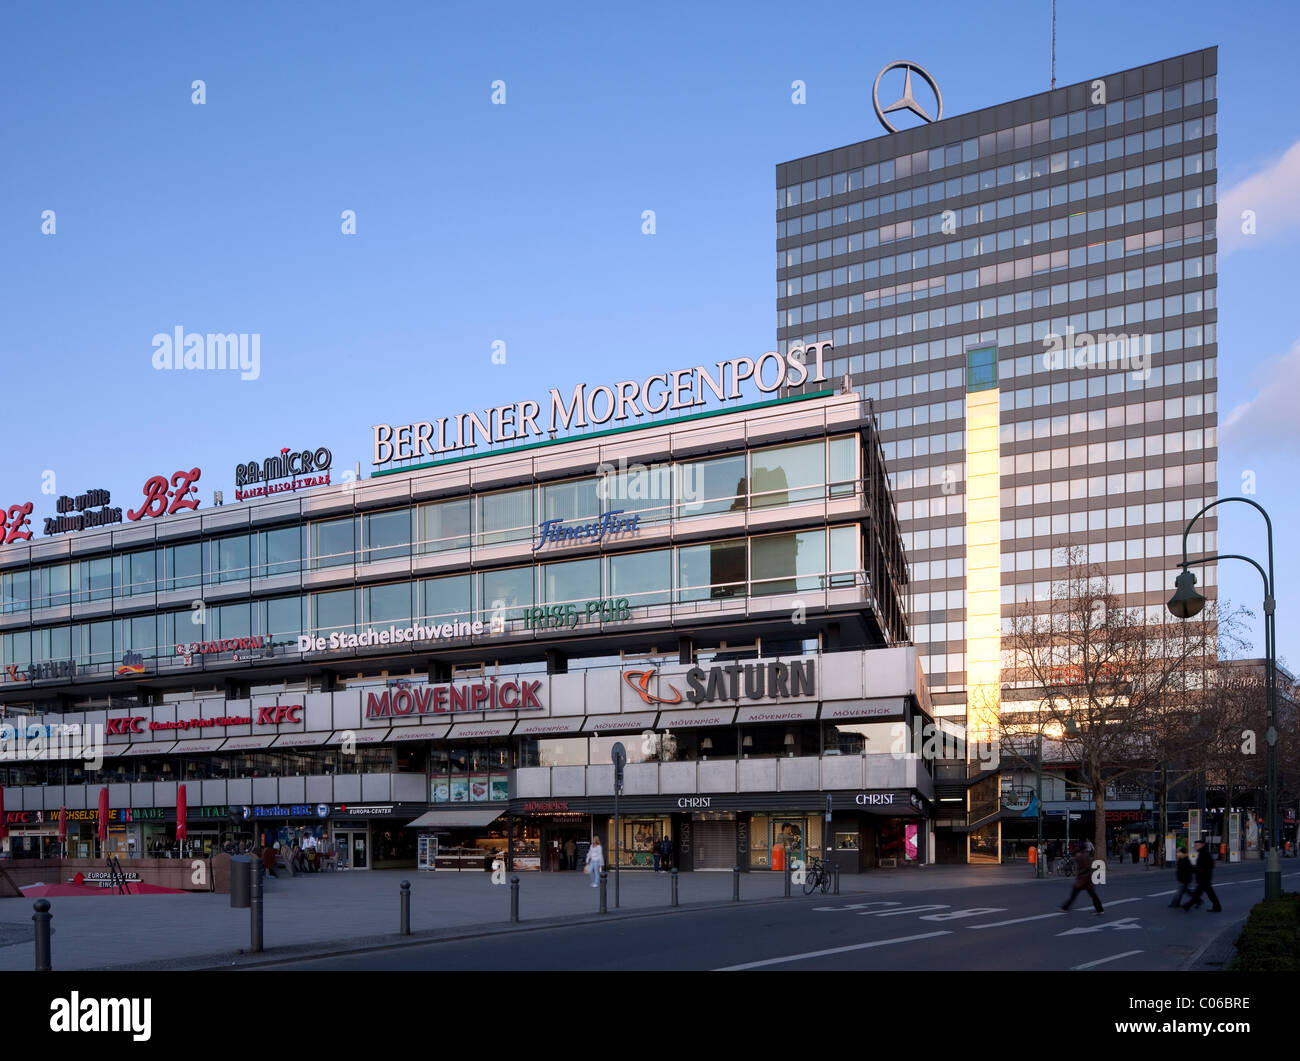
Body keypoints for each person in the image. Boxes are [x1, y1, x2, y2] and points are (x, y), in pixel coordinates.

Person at [1060, 840, 1104, 914]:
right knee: (1093, 895)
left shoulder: (1080, 856)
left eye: (1077, 847)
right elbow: (1090, 865)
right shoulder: (1086, 855)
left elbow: (1085, 866)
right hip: (1087, 879)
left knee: (1074, 894)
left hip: (1083, 879)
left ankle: (1065, 907)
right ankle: (1100, 909)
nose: (1076, 848)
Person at [1183, 839, 1222, 912]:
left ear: (1202, 845)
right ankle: (1217, 907)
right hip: (1204, 877)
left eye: (1197, 845)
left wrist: (1197, 870)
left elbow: (1209, 865)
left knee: (1199, 893)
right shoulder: (1202, 853)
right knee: (1208, 894)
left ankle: (1188, 905)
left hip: (1204, 878)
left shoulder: (1205, 853)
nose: (1195, 847)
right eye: (1194, 845)